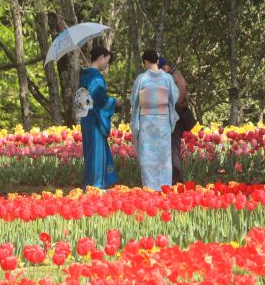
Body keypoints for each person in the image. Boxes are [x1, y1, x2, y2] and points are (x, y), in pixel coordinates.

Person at [130, 49, 179, 191]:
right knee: (164, 158)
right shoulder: (167, 78)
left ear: (145, 62)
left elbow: (134, 100)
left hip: (147, 121)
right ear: (157, 61)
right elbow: (174, 96)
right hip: (163, 121)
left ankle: (150, 187)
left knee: (148, 157)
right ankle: (164, 186)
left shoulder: (142, 79)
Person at [78, 47, 123, 189]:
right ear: (101, 57)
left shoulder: (85, 74)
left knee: (90, 150)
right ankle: (96, 184)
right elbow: (100, 99)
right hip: (95, 117)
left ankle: (91, 183)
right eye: (107, 61)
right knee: (96, 151)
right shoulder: (94, 76)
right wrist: (115, 103)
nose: (106, 65)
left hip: (86, 117)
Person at [158, 56, 189, 184]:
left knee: (173, 146)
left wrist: (170, 105)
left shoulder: (174, 76)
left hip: (176, 116)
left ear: (164, 67)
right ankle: (173, 176)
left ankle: (176, 177)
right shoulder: (174, 75)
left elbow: (180, 96)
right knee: (172, 146)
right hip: (174, 116)